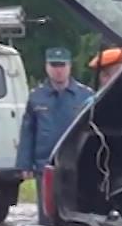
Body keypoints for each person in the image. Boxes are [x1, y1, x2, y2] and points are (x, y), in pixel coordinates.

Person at [17, 48, 94, 205]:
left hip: (76, 162)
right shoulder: (36, 96)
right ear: (46, 67)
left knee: (75, 206)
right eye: (54, 65)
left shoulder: (85, 95)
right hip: (44, 164)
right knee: (47, 208)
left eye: (62, 65)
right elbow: (28, 131)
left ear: (69, 67)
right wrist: (25, 164)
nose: (58, 70)